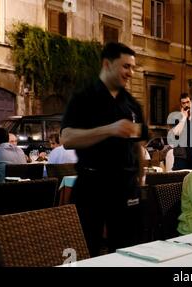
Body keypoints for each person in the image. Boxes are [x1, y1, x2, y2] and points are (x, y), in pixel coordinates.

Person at [61, 42, 148, 257]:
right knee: (85, 249)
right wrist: (110, 129)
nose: (131, 73)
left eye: (133, 67)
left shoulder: (131, 104)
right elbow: (67, 138)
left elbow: (137, 144)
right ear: (107, 64)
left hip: (127, 187)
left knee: (127, 250)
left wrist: (141, 177)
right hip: (93, 186)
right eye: (126, 66)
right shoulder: (84, 97)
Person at [170, 93, 192, 170]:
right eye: (184, 103)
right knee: (179, 179)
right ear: (181, 105)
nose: (186, 105)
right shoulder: (176, 118)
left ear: (191, 102)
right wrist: (183, 118)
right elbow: (176, 133)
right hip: (181, 156)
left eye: (188, 102)